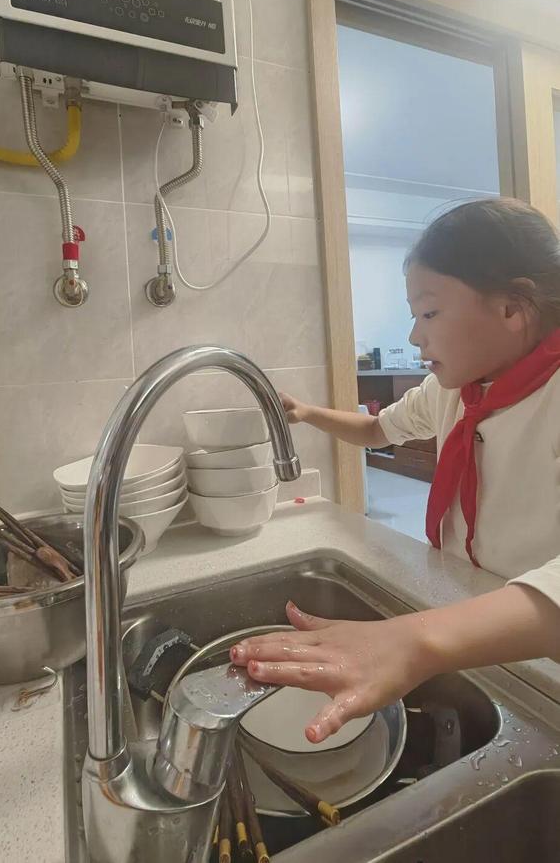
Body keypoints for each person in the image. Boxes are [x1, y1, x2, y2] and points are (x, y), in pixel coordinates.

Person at [230, 198, 560, 743]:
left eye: (429, 313)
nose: (414, 337)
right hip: (470, 605)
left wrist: (413, 640)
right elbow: (377, 429)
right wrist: (308, 413)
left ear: (512, 308)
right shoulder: (450, 390)